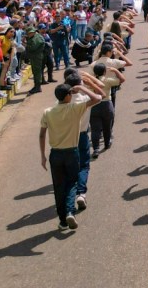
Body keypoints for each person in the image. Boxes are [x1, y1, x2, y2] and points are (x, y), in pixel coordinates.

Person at [39, 82, 102, 230]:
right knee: (72, 183)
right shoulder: (75, 109)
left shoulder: (48, 112)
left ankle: (62, 221)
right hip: (71, 152)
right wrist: (80, 88)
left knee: (59, 186)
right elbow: (97, 98)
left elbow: (42, 135)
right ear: (68, 96)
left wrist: (42, 155)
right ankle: (69, 211)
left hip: (55, 154)